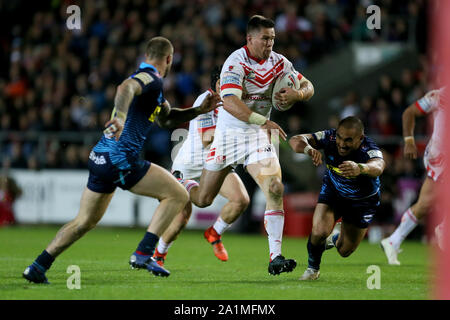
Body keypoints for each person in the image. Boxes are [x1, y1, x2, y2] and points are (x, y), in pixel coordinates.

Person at [22, 36, 221, 284]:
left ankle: (38, 266)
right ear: (168, 59)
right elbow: (125, 88)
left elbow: (166, 119)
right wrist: (119, 116)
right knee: (178, 195)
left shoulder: (152, 87)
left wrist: (198, 111)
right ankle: (143, 253)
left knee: (84, 221)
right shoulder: (151, 79)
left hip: (100, 157)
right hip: (121, 159)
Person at [177, 15, 315, 275]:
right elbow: (229, 102)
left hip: (257, 138)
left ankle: (276, 256)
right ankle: (185, 183)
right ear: (249, 39)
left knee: (275, 187)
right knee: (204, 199)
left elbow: (309, 85)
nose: (269, 44)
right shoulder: (235, 62)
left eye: (272, 39)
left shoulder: (280, 63)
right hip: (228, 137)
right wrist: (263, 120)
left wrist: (299, 93)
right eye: (265, 39)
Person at [151, 67, 250, 266]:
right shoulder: (206, 101)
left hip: (216, 162)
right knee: (182, 218)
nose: (226, 86)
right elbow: (206, 139)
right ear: (215, 85)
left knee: (240, 200)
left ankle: (214, 233)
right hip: (190, 165)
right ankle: (158, 255)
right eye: (222, 82)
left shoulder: (238, 105)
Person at [289, 116, 385, 280]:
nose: (341, 143)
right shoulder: (329, 137)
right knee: (319, 231)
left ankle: (336, 236)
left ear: (360, 138)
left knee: (344, 250)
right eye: (340, 137)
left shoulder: (368, 148)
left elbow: (379, 166)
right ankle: (312, 269)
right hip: (334, 193)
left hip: (362, 202)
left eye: (348, 140)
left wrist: (361, 168)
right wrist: (309, 150)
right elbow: (295, 140)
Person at [381, 88, 445, 264]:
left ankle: (393, 240)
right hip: (440, 158)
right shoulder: (440, 96)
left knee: (424, 204)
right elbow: (409, 112)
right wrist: (409, 141)